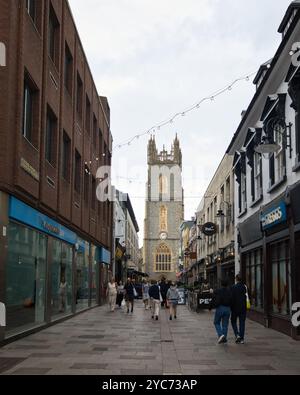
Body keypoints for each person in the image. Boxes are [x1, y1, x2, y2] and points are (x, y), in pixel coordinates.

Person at [213, 278, 232, 344]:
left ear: (221, 284)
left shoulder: (218, 290)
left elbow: (215, 298)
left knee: (216, 322)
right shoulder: (230, 291)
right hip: (228, 309)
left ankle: (221, 335)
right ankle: (224, 338)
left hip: (220, 307)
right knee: (225, 325)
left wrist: (213, 306)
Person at [231, 274, 247, 344]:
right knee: (242, 323)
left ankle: (237, 335)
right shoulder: (244, 287)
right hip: (243, 307)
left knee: (233, 321)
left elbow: (232, 298)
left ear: (236, 279)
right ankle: (242, 338)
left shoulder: (233, 287)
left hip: (235, 308)